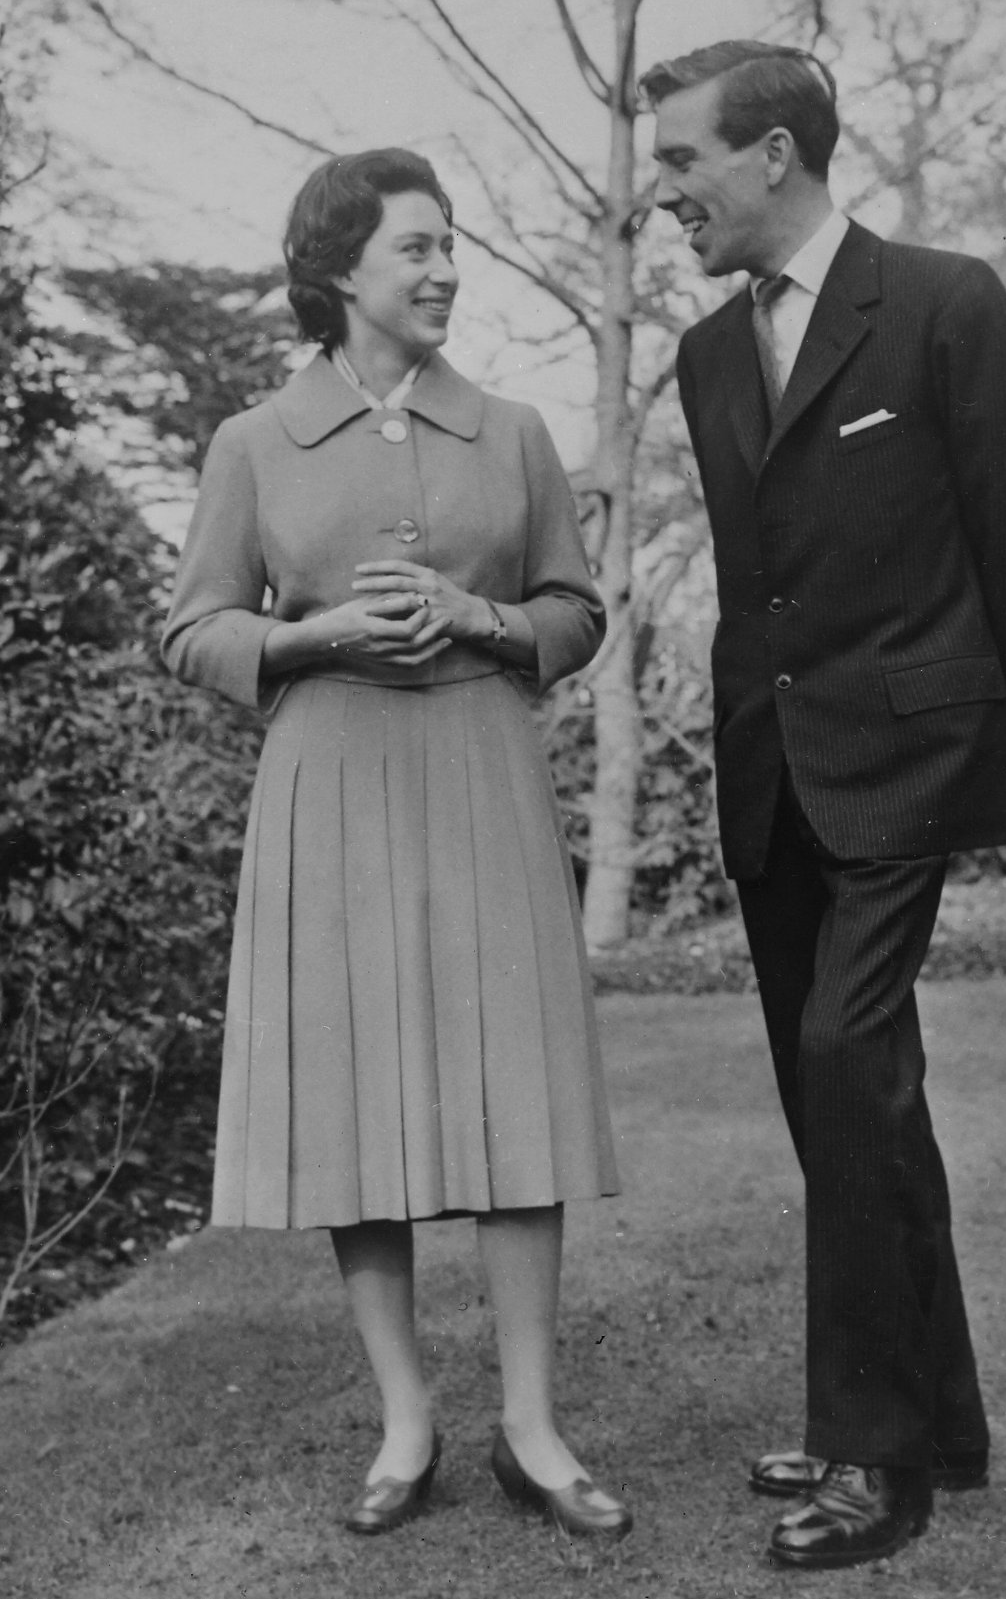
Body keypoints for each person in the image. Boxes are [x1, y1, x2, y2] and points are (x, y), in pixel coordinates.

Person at [639, 42, 1006, 1571]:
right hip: (772, 770)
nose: (663, 190)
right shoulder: (702, 353)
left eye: (682, 159)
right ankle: (937, 1415)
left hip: (908, 764)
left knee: (846, 1058)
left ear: (773, 154)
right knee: (846, 1096)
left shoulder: (946, 302)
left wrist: (960, 733)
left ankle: (874, 1460)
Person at [162, 147, 632, 1542]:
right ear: (339, 271)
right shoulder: (254, 442)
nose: (445, 271)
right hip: (331, 776)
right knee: (357, 1102)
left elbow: (575, 611)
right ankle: (408, 1423)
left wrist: (482, 621)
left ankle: (534, 1432)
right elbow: (191, 625)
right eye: (416, 248)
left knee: (518, 1090)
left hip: (482, 768)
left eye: (451, 247)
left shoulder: (515, 431)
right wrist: (312, 636)